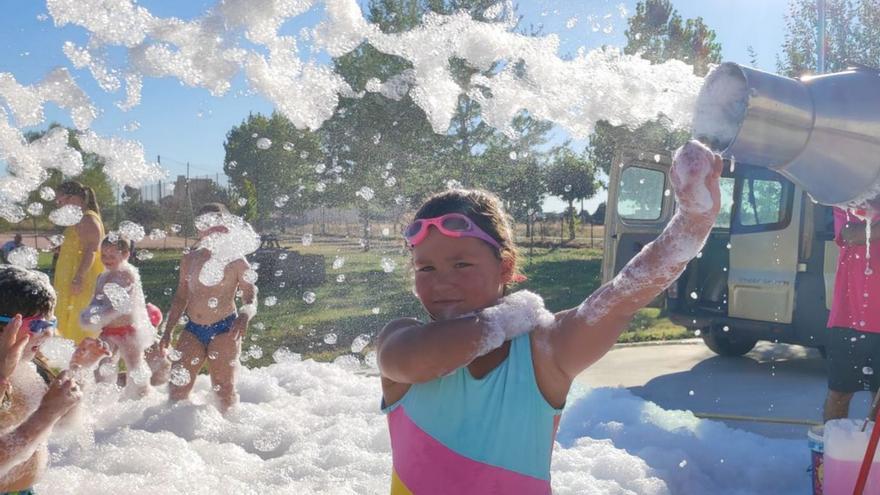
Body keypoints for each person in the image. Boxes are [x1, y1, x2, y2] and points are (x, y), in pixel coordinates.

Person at [376, 140, 722, 493]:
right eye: (426, 268)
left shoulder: (542, 352)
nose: (442, 281)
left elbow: (620, 297)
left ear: (505, 267)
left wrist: (693, 222)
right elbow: (415, 362)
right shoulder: (401, 339)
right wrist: (503, 320)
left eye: (461, 264)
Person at [0, 265, 109, 494]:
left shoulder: (29, 368)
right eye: (38, 325)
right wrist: (46, 414)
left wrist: (78, 372)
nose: (48, 333)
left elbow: (62, 423)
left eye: (51, 323)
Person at [158, 203, 258, 413]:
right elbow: (180, 297)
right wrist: (168, 330)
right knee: (176, 388)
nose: (212, 229)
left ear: (226, 227)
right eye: (206, 224)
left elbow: (251, 297)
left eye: (217, 223)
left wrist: (245, 315)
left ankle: (227, 433)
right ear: (199, 229)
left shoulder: (237, 261)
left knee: (223, 390)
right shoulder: (190, 258)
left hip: (225, 329)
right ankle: (174, 434)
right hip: (193, 329)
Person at [79, 236, 157, 398]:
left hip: (128, 332)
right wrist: (88, 314)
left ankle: (142, 398)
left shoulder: (128, 275)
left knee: (135, 368)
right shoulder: (102, 277)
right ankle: (103, 400)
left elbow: (122, 305)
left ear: (125, 255)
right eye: (104, 255)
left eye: (111, 256)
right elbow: (97, 300)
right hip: (108, 331)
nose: (106, 260)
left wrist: (100, 316)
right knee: (102, 367)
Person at [823, 207, 880, 421]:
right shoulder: (849, 195)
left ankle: (872, 454)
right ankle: (832, 451)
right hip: (847, 320)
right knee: (839, 394)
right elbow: (851, 234)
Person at [53, 181, 105, 344]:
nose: (61, 205)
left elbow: (92, 249)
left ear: (77, 197)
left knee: (77, 319)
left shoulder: (86, 218)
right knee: (69, 317)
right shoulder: (79, 219)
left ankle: (78, 355)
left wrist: (79, 277)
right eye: (58, 202)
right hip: (74, 276)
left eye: (63, 200)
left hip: (81, 279)